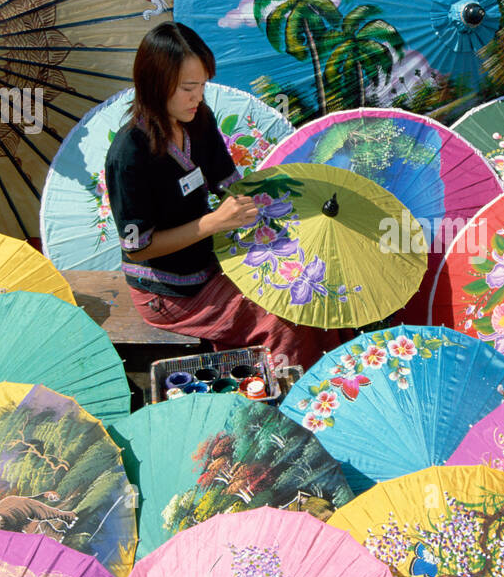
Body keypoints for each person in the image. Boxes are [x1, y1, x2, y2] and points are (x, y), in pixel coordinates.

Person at [104, 22, 340, 371]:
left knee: (311, 290)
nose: (197, 97)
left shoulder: (198, 118)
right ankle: (287, 412)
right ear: (155, 85)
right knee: (282, 323)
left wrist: (293, 211)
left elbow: (230, 183)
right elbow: (139, 246)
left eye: (201, 85)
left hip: (212, 260)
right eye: (187, 87)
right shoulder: (130, 153)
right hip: (168, 290)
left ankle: (333, 392)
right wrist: (215, 221)